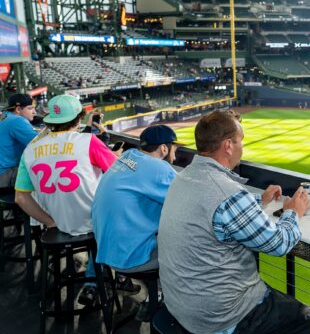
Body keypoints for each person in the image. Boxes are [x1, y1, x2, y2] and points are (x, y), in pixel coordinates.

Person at [158, 109, 310, 334]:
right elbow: (279, 244)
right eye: (240, 140)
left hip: (182, 304)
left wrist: (258, 200)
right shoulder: (226, 192)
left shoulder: (184, 177)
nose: (242, 147)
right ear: (228, 146)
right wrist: (295, 212)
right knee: (304, 318)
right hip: (218, 316)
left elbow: (213, 208)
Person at [14, 94, 117, 306]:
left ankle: (98, 277)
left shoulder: (30, 149)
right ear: (79, 119)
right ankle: (104, 279)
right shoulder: (88, 141)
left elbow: (21, 198)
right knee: (111, 217)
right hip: (92, 224)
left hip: (56, 226)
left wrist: (50, 222)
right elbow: (119, 175)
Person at [92, 125, 182, 320]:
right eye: (174, 148)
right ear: (164, 149)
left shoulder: (125, 158)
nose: (175, 154)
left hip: (106, 252)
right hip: (130, 259)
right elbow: (191, 204)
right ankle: (171, 305)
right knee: (188, 243)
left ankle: (156, 294)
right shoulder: (159, 168)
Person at [0, 94, 38, 189]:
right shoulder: (17, 121)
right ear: (18, 110)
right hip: (7, 172)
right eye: (30, 108)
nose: (34, 112)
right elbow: (39, 143)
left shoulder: (5, 115)